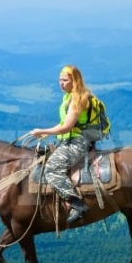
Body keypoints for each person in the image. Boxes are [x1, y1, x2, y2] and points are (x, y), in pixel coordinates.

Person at [29, 64, 92, 224]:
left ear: (74, 81)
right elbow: (64, 124)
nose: (61, 83)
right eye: (59, 80)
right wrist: (45, 132)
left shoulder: (77, 99)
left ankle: (76, 204)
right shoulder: (69, 97)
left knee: (51, 169)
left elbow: (67, 126)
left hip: (77, 142)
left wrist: (44, 131)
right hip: (68, 139)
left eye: (65, 80)